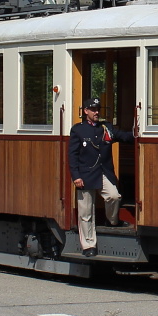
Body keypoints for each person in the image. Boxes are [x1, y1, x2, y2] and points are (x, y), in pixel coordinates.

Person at [68, 96, 133, 258]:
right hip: (85, 175)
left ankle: (112, 221)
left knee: (114, 196)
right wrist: (76, 176)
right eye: (93, 110)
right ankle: (88, 245)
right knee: (86, 212)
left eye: (98, 110)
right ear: (86, 111)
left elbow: (123, 136)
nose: (96, 112)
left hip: (103, 173)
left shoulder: (106, 127)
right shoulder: (78, 130)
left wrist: (138, 134)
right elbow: (72, 155)